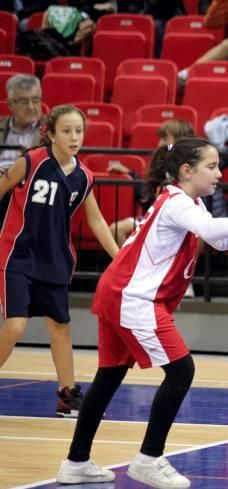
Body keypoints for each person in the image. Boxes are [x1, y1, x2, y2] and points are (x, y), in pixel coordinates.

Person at [55, 137, 228, 489]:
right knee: (181, 371)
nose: (218, 174)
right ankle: (149, 458)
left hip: (118, 292)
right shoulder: (178, 202)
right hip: (134, 298)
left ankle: (76, 462)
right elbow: (213, 232)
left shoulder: (186, 202)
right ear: (186, 171)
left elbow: (218, 240)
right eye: (211, 167)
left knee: (108, 378)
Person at [0, 104, 119, 417]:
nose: (74, 136)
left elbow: (97, 222)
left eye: (79, 131)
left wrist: (119, 258)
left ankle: (68, 395)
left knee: (60, 327)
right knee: (15, 327)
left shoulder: (84, 177)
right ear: (50, 134)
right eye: (66, 131)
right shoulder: (31, 162)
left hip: (54, 261)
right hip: (18, 256)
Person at [108, 119, 228, 247]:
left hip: (201, 222)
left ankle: (186, 275)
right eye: (211, 167)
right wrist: (130, 174)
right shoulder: (164, 165)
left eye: (165, 139)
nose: (160, 144)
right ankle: (135, 271)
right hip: (167, 220)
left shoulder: (203, 155)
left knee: (198, 232)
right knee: (118, 229)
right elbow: (149, 198)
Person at [0, 74, 44, 172]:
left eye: (35, 100)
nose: (31, 107)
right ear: (10, 104)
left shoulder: (51, 130)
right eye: (24, 102)